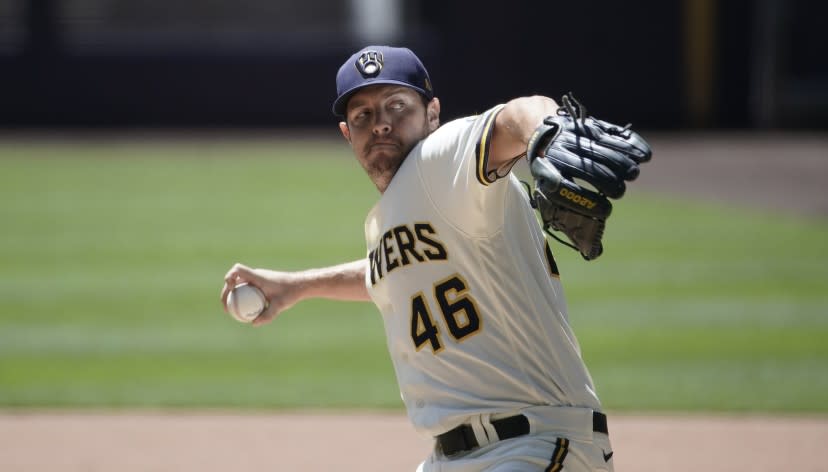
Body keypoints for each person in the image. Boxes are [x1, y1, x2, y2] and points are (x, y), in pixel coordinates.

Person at [221, 45, 616, 471]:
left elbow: (517, 113)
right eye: (363, 116)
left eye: (397, 106)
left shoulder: (441, 159)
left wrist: (547, 129)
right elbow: (390, 275)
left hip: (534, 446)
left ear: (432, 114)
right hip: (452, 458)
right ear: (347, 134)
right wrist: (296, 287)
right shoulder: (400, 211)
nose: (381, 125)